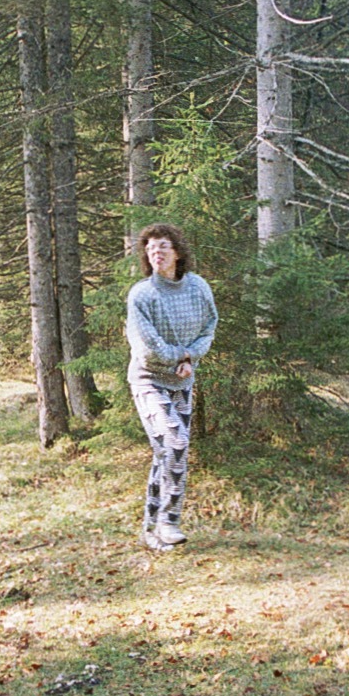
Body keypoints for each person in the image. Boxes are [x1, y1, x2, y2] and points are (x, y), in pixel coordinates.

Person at [125, 223, 218, 550]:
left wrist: (191, 356)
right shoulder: (142, 294)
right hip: (149, 381)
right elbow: (146, 347)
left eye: (163, 246)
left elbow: (210, 326)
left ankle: (151, 530)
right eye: (151, 248)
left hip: (182, 382)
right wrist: (180, 357)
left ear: (177, 251)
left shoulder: (198, 287)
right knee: (175, 441)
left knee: (165, 452)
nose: (157, 253)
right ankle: (168, 521)